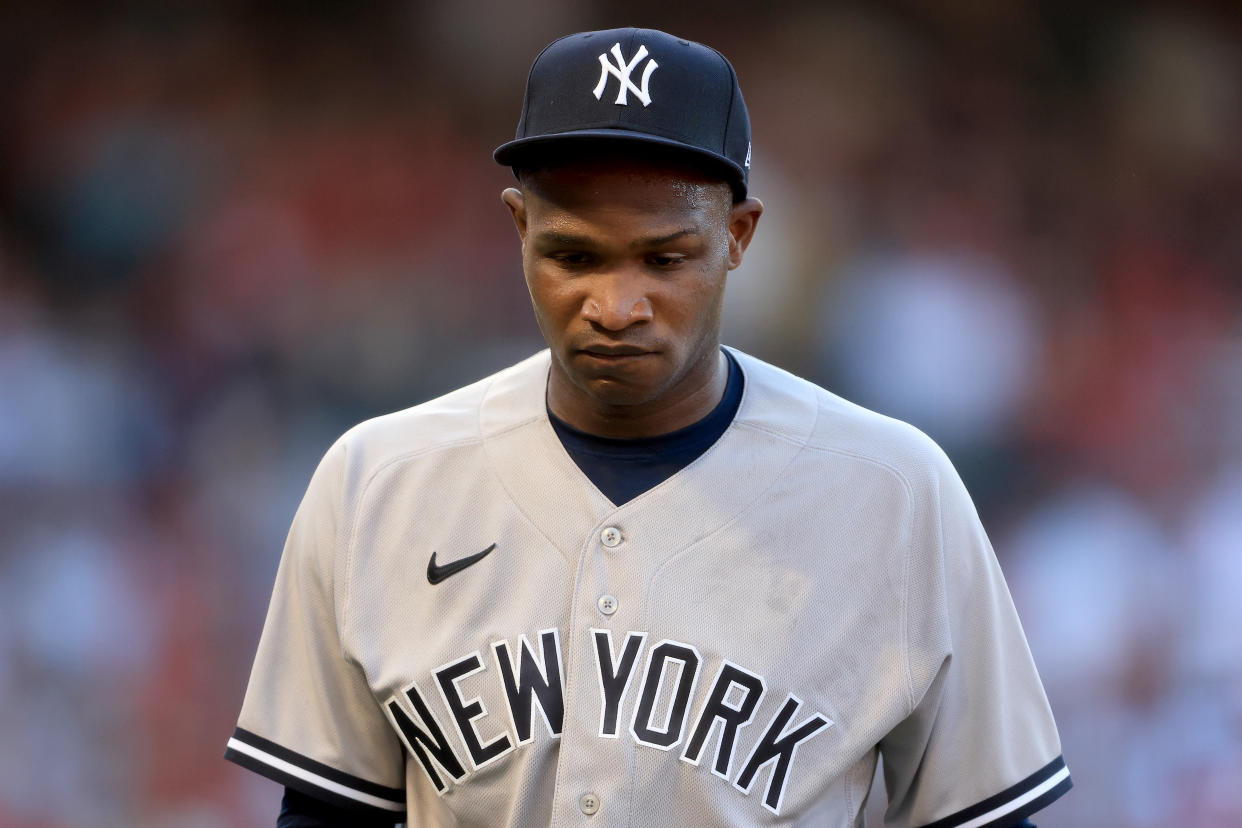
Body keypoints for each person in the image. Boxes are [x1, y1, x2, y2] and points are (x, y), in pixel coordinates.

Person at [225, 27, 1071, 827]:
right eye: (573, 256)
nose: (616, 307)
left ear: (738, 236)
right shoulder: (377, 482)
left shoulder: (895, 492)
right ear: (519, 227)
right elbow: (326, 814)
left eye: (665, 260)